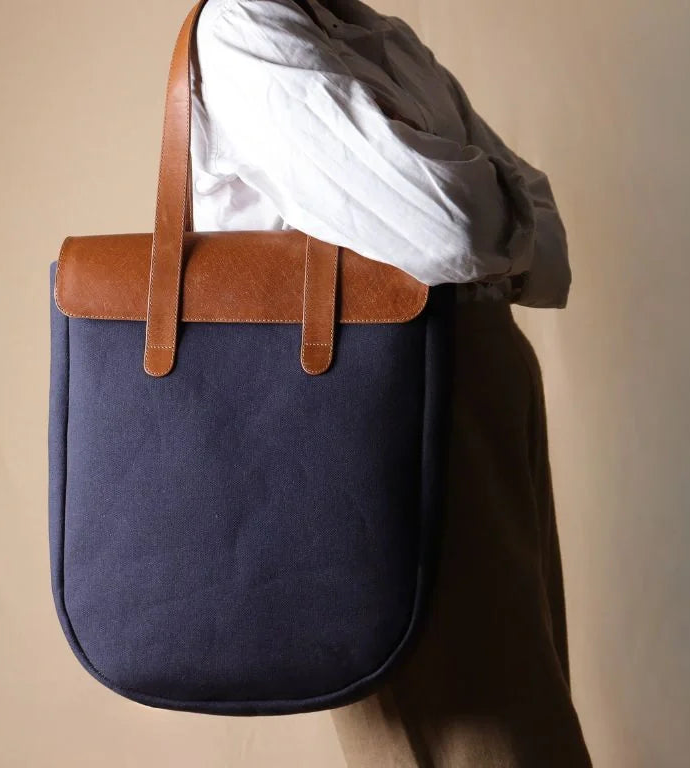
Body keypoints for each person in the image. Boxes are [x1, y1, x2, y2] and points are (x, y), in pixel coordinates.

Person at [192, 1, 592, 766]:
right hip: (377, 403)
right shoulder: (246, 23)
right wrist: (483, 192)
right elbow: (455, 227)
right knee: (468, 734)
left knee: (527, 709)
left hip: (481, 379)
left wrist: (484, 205)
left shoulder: (381, 34)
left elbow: (529, 221)